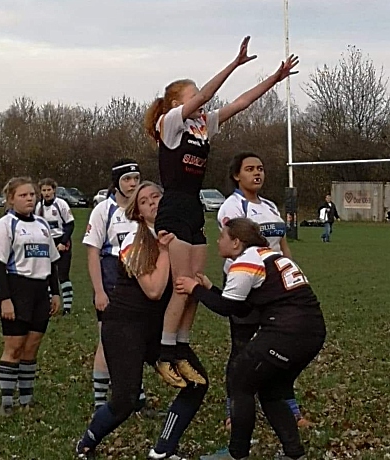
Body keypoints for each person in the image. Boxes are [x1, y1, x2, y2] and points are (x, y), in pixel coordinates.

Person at [144, 36, 300, 387]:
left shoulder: (202, 126)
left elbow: (241, 102)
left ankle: (181, 349)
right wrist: (233, 64)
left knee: (196, 285)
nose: (200, 98)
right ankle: (164, 353)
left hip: (194, 208)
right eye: (192, 93)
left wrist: (274, 78)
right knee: (181, 287)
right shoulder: (170, 124)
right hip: (174, 208)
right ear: (174, 102)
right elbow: (204, 98)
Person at [76, 181, 207, 460]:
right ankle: (86, 443)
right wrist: (162, 252)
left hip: (159, 331)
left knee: (196, 382)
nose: (153, 203)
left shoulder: (178, 239)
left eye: (157, 196)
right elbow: (154, 290)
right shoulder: (133, 242)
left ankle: (163, 449)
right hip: (124, 326)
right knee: (125, 401)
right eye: (145, 201)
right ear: (137, 212)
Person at [175, 218, 325, 460]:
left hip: (287, 331)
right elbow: (242, 309)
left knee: (240, 380)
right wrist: (210, 288)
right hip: (311, 331)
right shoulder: (268, 256)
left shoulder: (246, 261)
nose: (217, 241)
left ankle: (236, 454)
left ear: (236, 242)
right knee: (271, 390)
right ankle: (294, 454)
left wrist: (194, 289)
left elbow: (227, 308)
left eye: (222, 236)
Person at [216, 152, 308, 430]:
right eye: (250, 169)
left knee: (280, 349)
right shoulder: (232, 207)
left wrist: (292, 271)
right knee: (242, 348)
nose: (257, 173)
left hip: (276, 290)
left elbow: (281, 245)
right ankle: (233, 410)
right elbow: (233, 251)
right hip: (248, 287)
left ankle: (290, 408)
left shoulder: (269, 205)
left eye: (261, 168)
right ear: (236, 175)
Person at [0, 177, 61, 415]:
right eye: (23, 195)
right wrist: (5, 299)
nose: (30, 198)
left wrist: (56, 293)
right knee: (14, 347)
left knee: (32, 346)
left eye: (32, 194)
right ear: (11, 199)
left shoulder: (42, 224)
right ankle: (6, 401)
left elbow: (52, 261)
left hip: (41, 291)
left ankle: (26, 399)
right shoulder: (4, 225)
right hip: (17, 289)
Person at [82, 159, 142, 410]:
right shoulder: (103, 211)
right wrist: (99, 291)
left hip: (139, 285)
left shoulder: (144, 209)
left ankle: (137, 397)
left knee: (137, 342)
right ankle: (99, 402)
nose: (132, 184)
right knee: (107, 342)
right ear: (116, 182)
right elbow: (93, 252)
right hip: (111, 283)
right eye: (127, 179)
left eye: (136, 179)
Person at [36, 178, 75, 315]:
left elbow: (70, 224)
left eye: (49, 190)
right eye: (44, 190)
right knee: (46, 274)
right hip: (47, 242)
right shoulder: (38, 207)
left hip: (62, 241)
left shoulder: (61, 204)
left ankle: (67, 308)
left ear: (54, 190)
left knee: (63, 274)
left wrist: (63, 242)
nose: (46, 193)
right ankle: (49, 306)